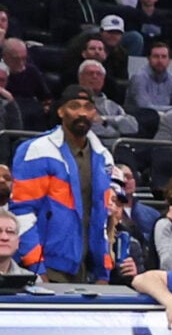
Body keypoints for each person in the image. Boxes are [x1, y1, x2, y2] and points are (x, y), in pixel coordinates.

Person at [12, 86, 115, 280]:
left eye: (88, 107)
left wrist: (104, 270)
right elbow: (22, 211)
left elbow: (102, 217)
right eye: (74, 106)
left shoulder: (104, 157)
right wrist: (36, 267)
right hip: (47, 265)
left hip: (88, 269)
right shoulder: (37, 150)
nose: (82, 113)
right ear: (60, 111)